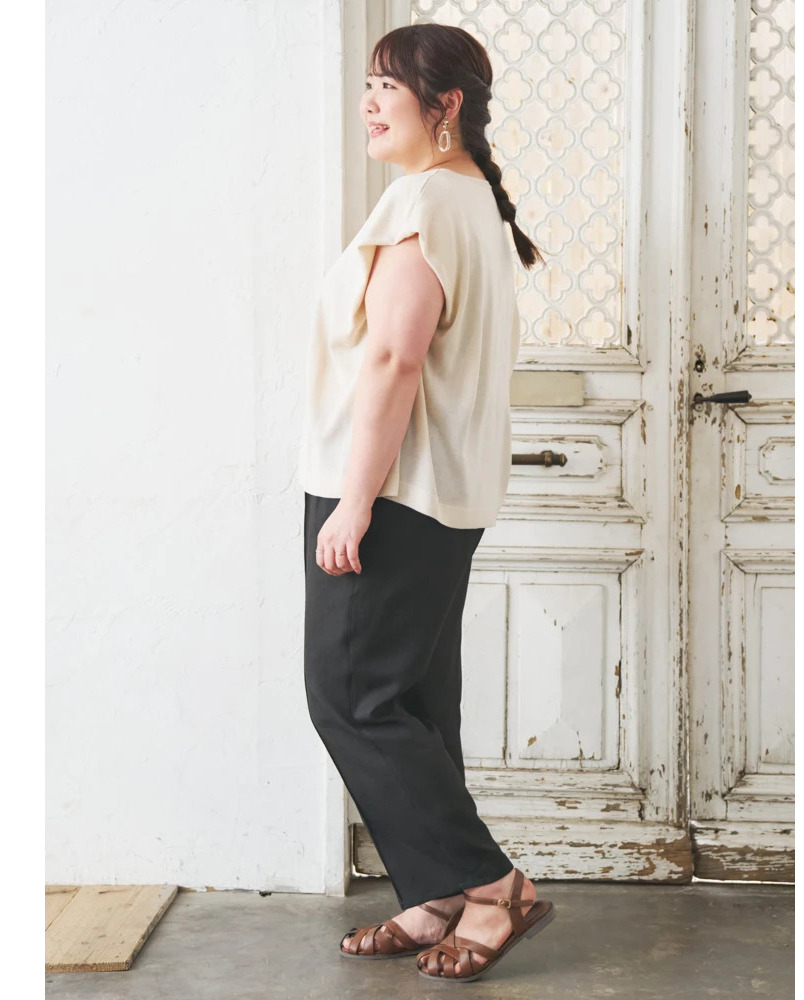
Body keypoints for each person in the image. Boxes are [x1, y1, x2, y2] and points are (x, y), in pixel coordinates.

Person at [298, 23, 556, 983]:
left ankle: (492, 887)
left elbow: (395, 359)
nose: (369, 101)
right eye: (366, 83)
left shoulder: (424, 200)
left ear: (444, 105)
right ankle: (437, 893)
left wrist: (353, 501)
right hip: (439, 492)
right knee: (411, 699)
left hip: (391, 490)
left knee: (351, 698)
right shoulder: (470, 198)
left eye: (389, 85)